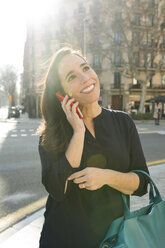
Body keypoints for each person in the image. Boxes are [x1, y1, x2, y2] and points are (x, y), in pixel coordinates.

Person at [37, 47, 149, 248]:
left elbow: (142, 185)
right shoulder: (52, 134)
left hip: (114, 240)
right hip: (63, 240)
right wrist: (78, 131)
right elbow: (57, 190)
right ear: (62, 93)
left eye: (86, 68)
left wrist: (105, 176)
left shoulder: (123, 123)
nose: (86, 78)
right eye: (72, 77)